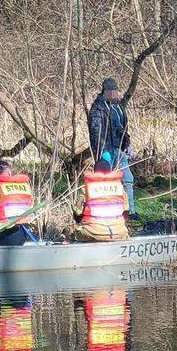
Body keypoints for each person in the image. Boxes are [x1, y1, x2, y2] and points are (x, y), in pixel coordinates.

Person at [88, 78, 136, 217]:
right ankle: (108, 210)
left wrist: (126, 144)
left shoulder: (118, 106)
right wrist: (101, 152)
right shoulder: (98, 109)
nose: (116, 94)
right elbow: (96, 132)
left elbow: (123, 126)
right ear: (106, 92)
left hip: (119, 149)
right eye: (113, 91)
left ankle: (130, 211)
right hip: (106, 150)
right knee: (107, 182)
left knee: (127, 179)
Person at [69, 158, 129, 242]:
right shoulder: (120, 188)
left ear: (94, 171)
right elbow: (126, 212)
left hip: (92, 233)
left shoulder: (86, 188)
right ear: (110, 171)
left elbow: (77, 214)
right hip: (119, 233)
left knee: (73, 232)